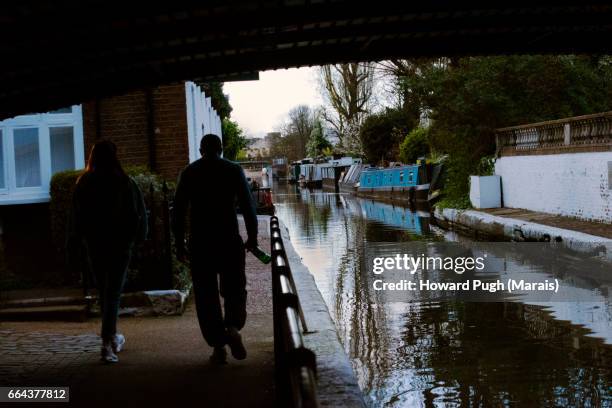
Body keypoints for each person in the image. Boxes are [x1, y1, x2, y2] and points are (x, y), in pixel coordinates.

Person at [173, 134, 258, 365]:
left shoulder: (190, 172)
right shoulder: (233, 170)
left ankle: (218, 346)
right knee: (235, 288)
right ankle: (232, 327)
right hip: (229, 239)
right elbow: (248, 204)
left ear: (201, 150)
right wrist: (252, 236)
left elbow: (178, 211)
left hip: (201, 243)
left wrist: (179, 244)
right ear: (221, 149)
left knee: (206, 295)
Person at [71, 140, 148, 363]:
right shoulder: (124, 181)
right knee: (112, 293)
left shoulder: (84, 182)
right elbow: (139, 213)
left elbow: (76, 218)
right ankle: (108, 342)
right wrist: (138, 239)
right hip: (120, 245)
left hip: (95, 245)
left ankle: (112, 337)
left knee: (106, 292)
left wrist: (75, 242)